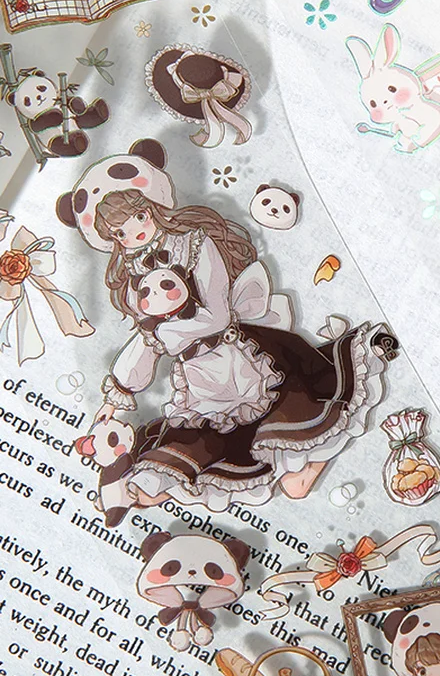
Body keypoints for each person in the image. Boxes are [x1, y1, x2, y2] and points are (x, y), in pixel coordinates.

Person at [58, 141, 397, 524]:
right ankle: (146, 489)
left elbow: (217, 316)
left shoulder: (195, 242)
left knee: (289, 412)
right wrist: (118, 395)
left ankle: (304, 468)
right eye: (121, 232)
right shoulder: (133, 278)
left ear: (151, 205)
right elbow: (146, 341)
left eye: (139, 216)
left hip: (240, 352)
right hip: (197, 376)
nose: (136, 233)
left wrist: (167, 336)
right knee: (205, 439)